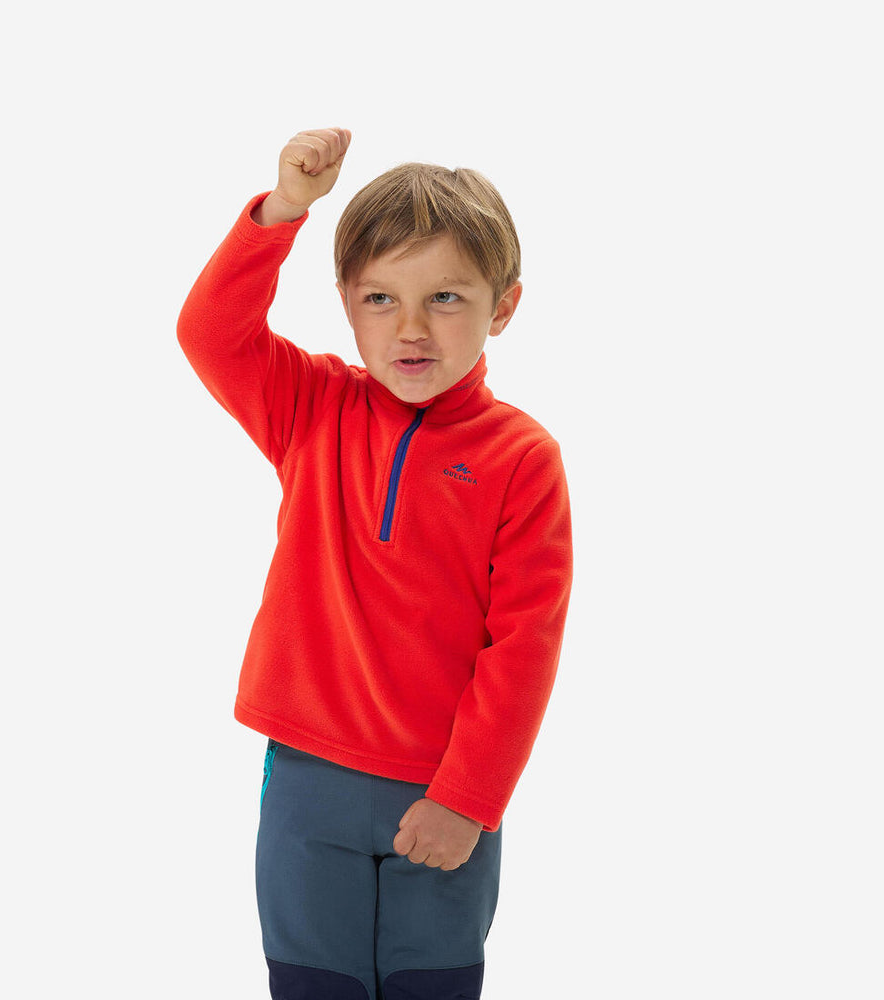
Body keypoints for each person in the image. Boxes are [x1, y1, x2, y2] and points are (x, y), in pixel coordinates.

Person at [176, 127, 573, 1000]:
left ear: (503, 307)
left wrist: (468, 797)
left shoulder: (522, 458)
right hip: (306, 782)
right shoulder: (310, 405)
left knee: (434, 985)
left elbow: (525, 646)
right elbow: (209, 333)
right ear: (347, 303)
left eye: (445, 298)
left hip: (443, 794)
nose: (411, 329)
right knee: (310, 984)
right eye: (381, 298)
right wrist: (283, 210)